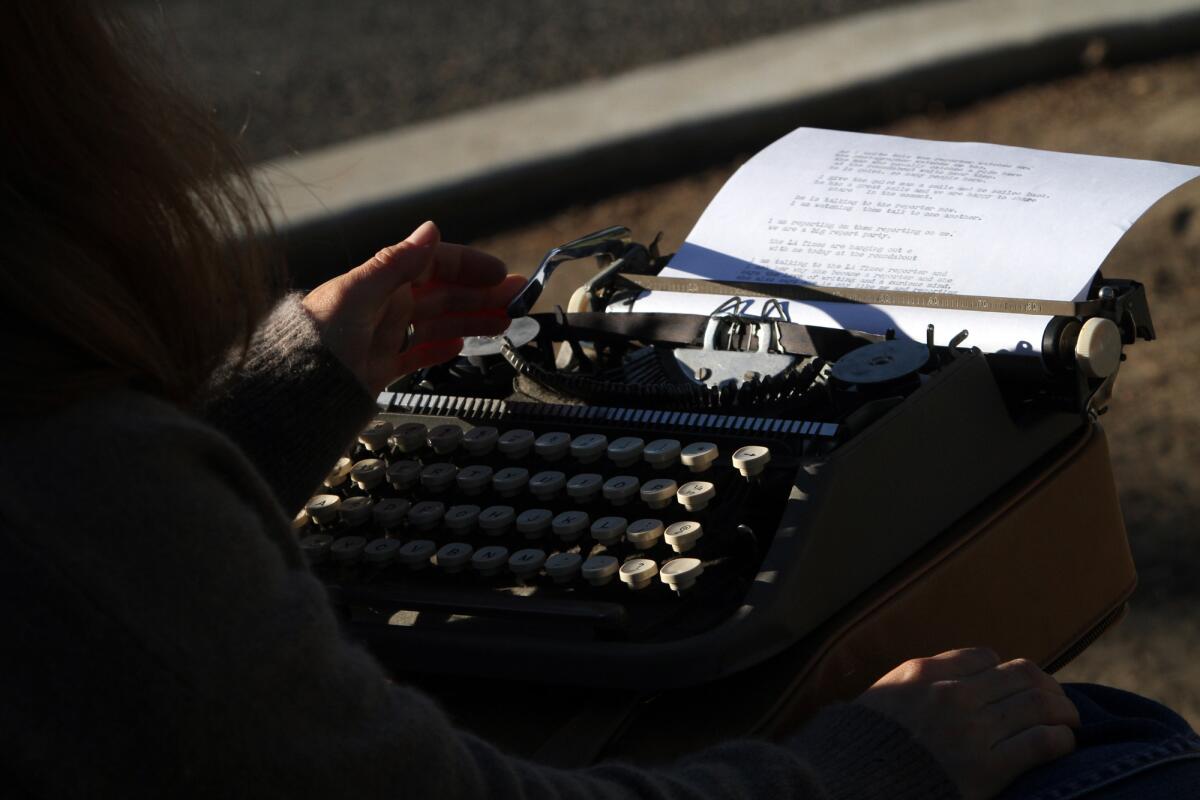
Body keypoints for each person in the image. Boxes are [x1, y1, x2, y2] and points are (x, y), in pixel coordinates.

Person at [1, 3, 1196, 798]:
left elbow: (143, 618)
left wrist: (267, 407)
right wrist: (854, 768)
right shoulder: (79, 478)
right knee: (1126, 750)